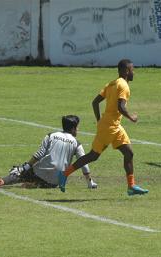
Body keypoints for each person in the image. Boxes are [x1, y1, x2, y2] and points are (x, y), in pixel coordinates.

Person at [57, 59, 148, 196]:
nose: (133, 72)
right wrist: (132, 117)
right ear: (126, 71)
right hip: (110, 127)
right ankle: (64, 174)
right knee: (93, 155)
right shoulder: (123, 86)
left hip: (113, 125)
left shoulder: (112, 84)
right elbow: (121, 107)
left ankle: (131, 186)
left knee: (129, 153)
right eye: (132, 69)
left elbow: (95, 102)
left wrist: (100, 120)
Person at [0, 115, 97, 190]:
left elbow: (39, 154)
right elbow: (84, 164)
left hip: (39, 172)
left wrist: (24, 168)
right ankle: (34, 185)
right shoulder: (77, 143)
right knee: (40, 185)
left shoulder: (51, 135)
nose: (78, 130)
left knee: (18, 176)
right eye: (77, 128)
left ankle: (1, 181)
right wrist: (89, 182)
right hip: (55, 180)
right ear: (72, 129)